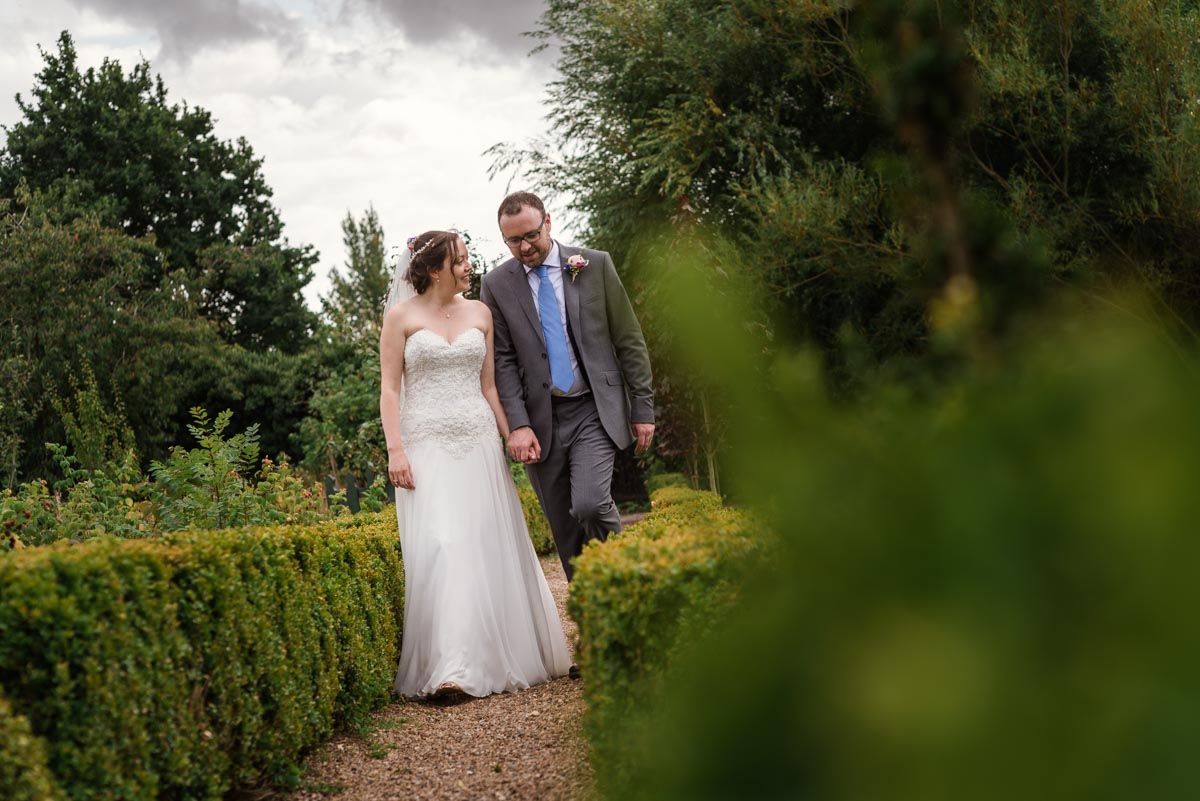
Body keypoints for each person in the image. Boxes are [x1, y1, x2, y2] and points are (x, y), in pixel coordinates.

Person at [380, 229, 571, 699]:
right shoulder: (400, 317)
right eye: (460, 260)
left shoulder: (480, 312)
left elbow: (490, 386)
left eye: (467, 258)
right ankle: (451, 668)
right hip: (424, 443)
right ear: (432, 269)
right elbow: (389, 389)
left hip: (478, 440)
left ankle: (484, 658)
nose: (469, 266)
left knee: (482, 543)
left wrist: (512, 436)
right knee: (443, 545)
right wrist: (395, 450)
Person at [480, 192, 655, 585]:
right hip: (540, 420)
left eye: (530, 235)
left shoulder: (594, 265)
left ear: (548, 222)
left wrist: (643, 409)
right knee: (565, 527)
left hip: (593, 408)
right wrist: (517, 425)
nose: (524, 247)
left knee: (590, 505)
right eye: (513, 241)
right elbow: (502, 360)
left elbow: (629, 339)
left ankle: (626, 581)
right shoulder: (496, 285)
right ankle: (594, 608)